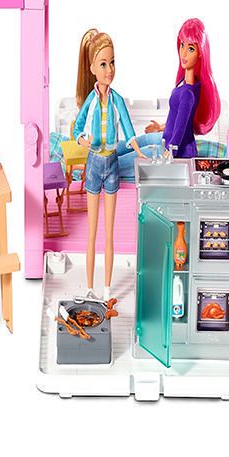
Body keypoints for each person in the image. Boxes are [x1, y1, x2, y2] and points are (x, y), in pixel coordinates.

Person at [72, 29, 144, 298]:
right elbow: (77, 128)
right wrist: (83, 140)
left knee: (109, 232)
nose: (109, 70)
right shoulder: (90, 101)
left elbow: (128, 129)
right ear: (92, 68)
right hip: (93, 164)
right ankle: (90, 288)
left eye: (112, 62)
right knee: (92, 232)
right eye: (103, 64)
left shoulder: (117, 100)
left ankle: (106, 289)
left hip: (112, 163)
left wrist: (140, 152)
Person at [144, 17, 221, 158]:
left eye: (191, 49)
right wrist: (160, 127)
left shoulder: (188, 92)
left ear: (200, 53)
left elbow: (180, 127)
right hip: (167, 139)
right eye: (182, 45)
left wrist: (171, 151)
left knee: (120, 160)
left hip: (176, 149)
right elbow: (179, 118)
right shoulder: (186, 83)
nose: (184, 53)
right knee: (127, 146)